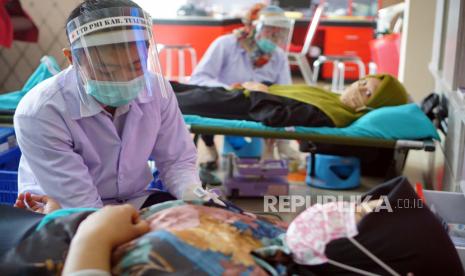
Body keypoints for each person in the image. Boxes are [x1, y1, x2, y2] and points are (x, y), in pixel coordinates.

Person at [1, 177, 463, 275]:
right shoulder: (285, 247)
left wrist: (92, 236)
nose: (340, 207)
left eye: (356, 216)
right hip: (49, 227)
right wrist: (65, 214)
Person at [13, 0, 218, 209]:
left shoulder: (156, 89)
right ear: (72, 59)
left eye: (136, 66)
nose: (124, 79)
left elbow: (176, 160)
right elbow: (81, 205)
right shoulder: (42, 111)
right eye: (106, 71)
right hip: (61, 208)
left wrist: (193, 193)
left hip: (134, 200)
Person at [188, 4, 299, 167]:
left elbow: (287, 91)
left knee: (286, 104)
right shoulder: (225, 44)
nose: (275, 35)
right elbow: (198, 78)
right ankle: (210, 148)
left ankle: (278, 147)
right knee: (205, 99)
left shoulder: (278, 56)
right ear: (252, 26)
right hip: (227, 100)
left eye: (280, 31)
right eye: (270, 29)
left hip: (258, 106)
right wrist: (230, 89)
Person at [174, 74, 409, 128]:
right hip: (234, 95)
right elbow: (283, 97)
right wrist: (260, 87)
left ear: (372, 106)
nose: (359, 87)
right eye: (364, 82)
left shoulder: (330, 114)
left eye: (368, 93)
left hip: (236, 105)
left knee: (165, 100)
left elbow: (274, 116)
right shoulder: (332, 100)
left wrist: (258, 91)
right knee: (168, 86)